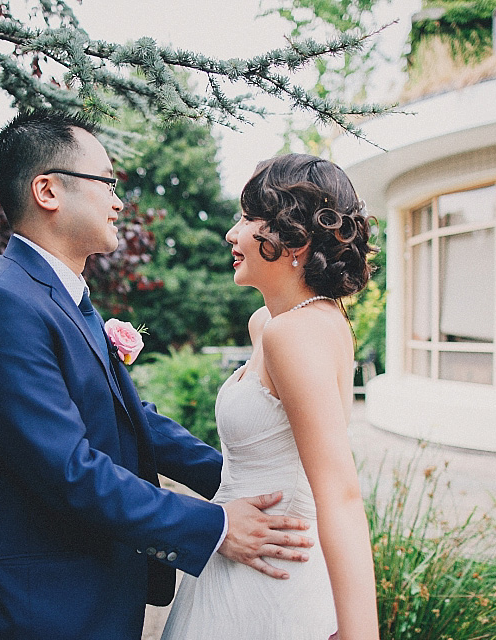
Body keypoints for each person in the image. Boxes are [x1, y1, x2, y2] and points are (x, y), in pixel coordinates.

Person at [0, 111, 316, 640]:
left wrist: (244, 480)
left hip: (98, 597)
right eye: (108, 183)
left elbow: (130, 419)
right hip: (39, 611)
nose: (119, 202)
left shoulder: (63, 298)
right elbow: (68, 469)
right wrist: (216, 525)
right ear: (48, 191)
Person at [161, 154, 380, 640]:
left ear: (292, 237)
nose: (230, 234)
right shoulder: (271, 325)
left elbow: (340, 495)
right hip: (238, 558)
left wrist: (359, 633)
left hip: (272, 583)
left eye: (246, 219)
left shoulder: (295, 335)